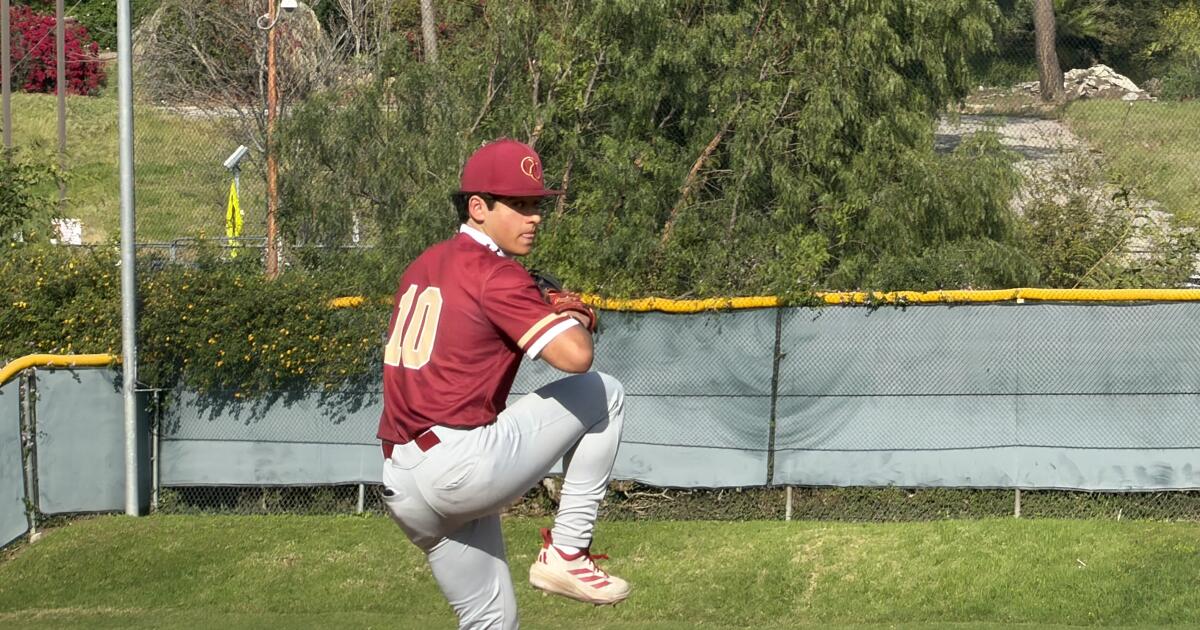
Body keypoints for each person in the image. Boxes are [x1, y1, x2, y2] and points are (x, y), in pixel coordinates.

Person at [378, 138, 630, 629]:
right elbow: (575, 356)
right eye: (517, 205)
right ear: (478, 207)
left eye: (536, 204)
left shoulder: (422, 265)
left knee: (492, 621)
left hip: (402, 482)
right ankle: (569, 552)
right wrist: (573, 313)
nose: (533, 217)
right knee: (605, 392)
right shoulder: (495, 272)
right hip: (457, 466)